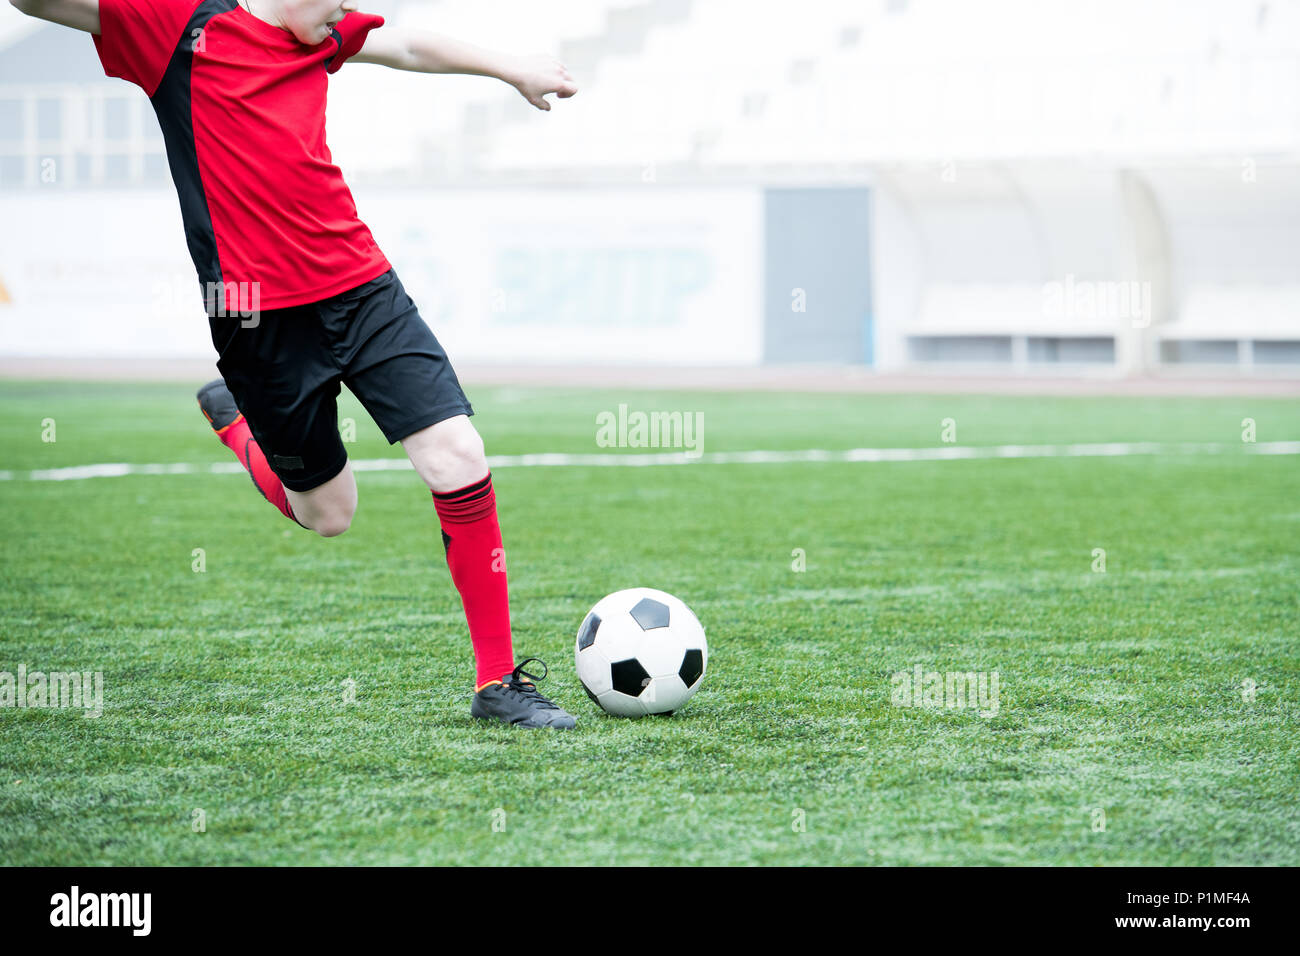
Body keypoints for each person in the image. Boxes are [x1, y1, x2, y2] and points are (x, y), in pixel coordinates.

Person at [11, 0, 581, 728]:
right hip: (258, 318)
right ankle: (236, 424)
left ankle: (498, 683)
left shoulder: (325, 31)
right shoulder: (177, 24)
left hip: (361, 285)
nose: (348, 11)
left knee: (456, 453)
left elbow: (406, 48)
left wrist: (511, 69)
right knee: (329, 514)